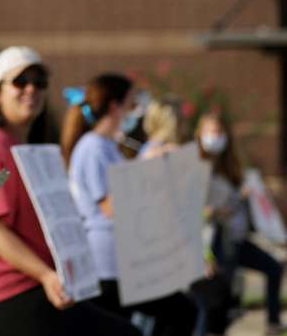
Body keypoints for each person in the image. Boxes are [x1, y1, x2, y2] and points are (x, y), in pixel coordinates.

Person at [0, 48, 137, 336]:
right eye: (20, 81)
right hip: (11, 293)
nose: (31, 89)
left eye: (39, 82)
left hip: (41, 287)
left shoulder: (26, 147)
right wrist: (46, 274)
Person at [62, 74, 198, 336]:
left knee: (178, 313)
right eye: (131, 102)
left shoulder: (107, 146)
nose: (136, 110)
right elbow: (110, 207)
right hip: (107, 266)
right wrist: (146, 167)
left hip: (122, 262)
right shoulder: (93, 147)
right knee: (181, 312)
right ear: (115, 106)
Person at [198, 112, 286, 336]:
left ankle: (273, 323)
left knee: (273, 268)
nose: (216, 137)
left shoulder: (230, 167)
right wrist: (217, 210)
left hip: (236, 238)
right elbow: (194, 210)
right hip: (215, 242)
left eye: (219, 132)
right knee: (220, 301)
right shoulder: (197, 167)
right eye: (210, 132)